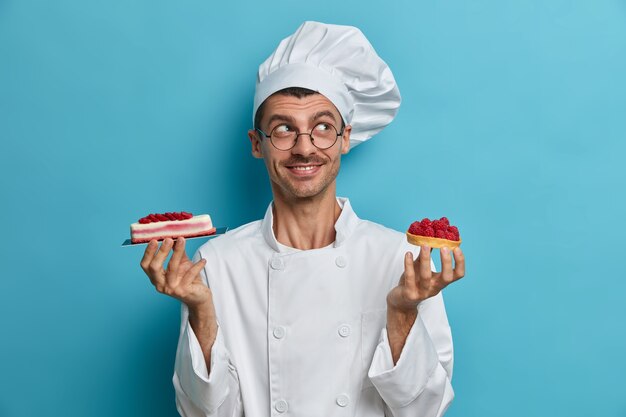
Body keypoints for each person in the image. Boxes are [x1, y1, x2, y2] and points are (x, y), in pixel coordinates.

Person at [140, 21, 465, 417]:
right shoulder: (217, 263)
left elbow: (428, 410)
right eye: (283, 130)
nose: (304, 147)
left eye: (322, 128)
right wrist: (201, 314)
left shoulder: (401, 259)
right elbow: (200, 414)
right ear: (257, 144)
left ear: (345, 137)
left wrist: (401, 314)